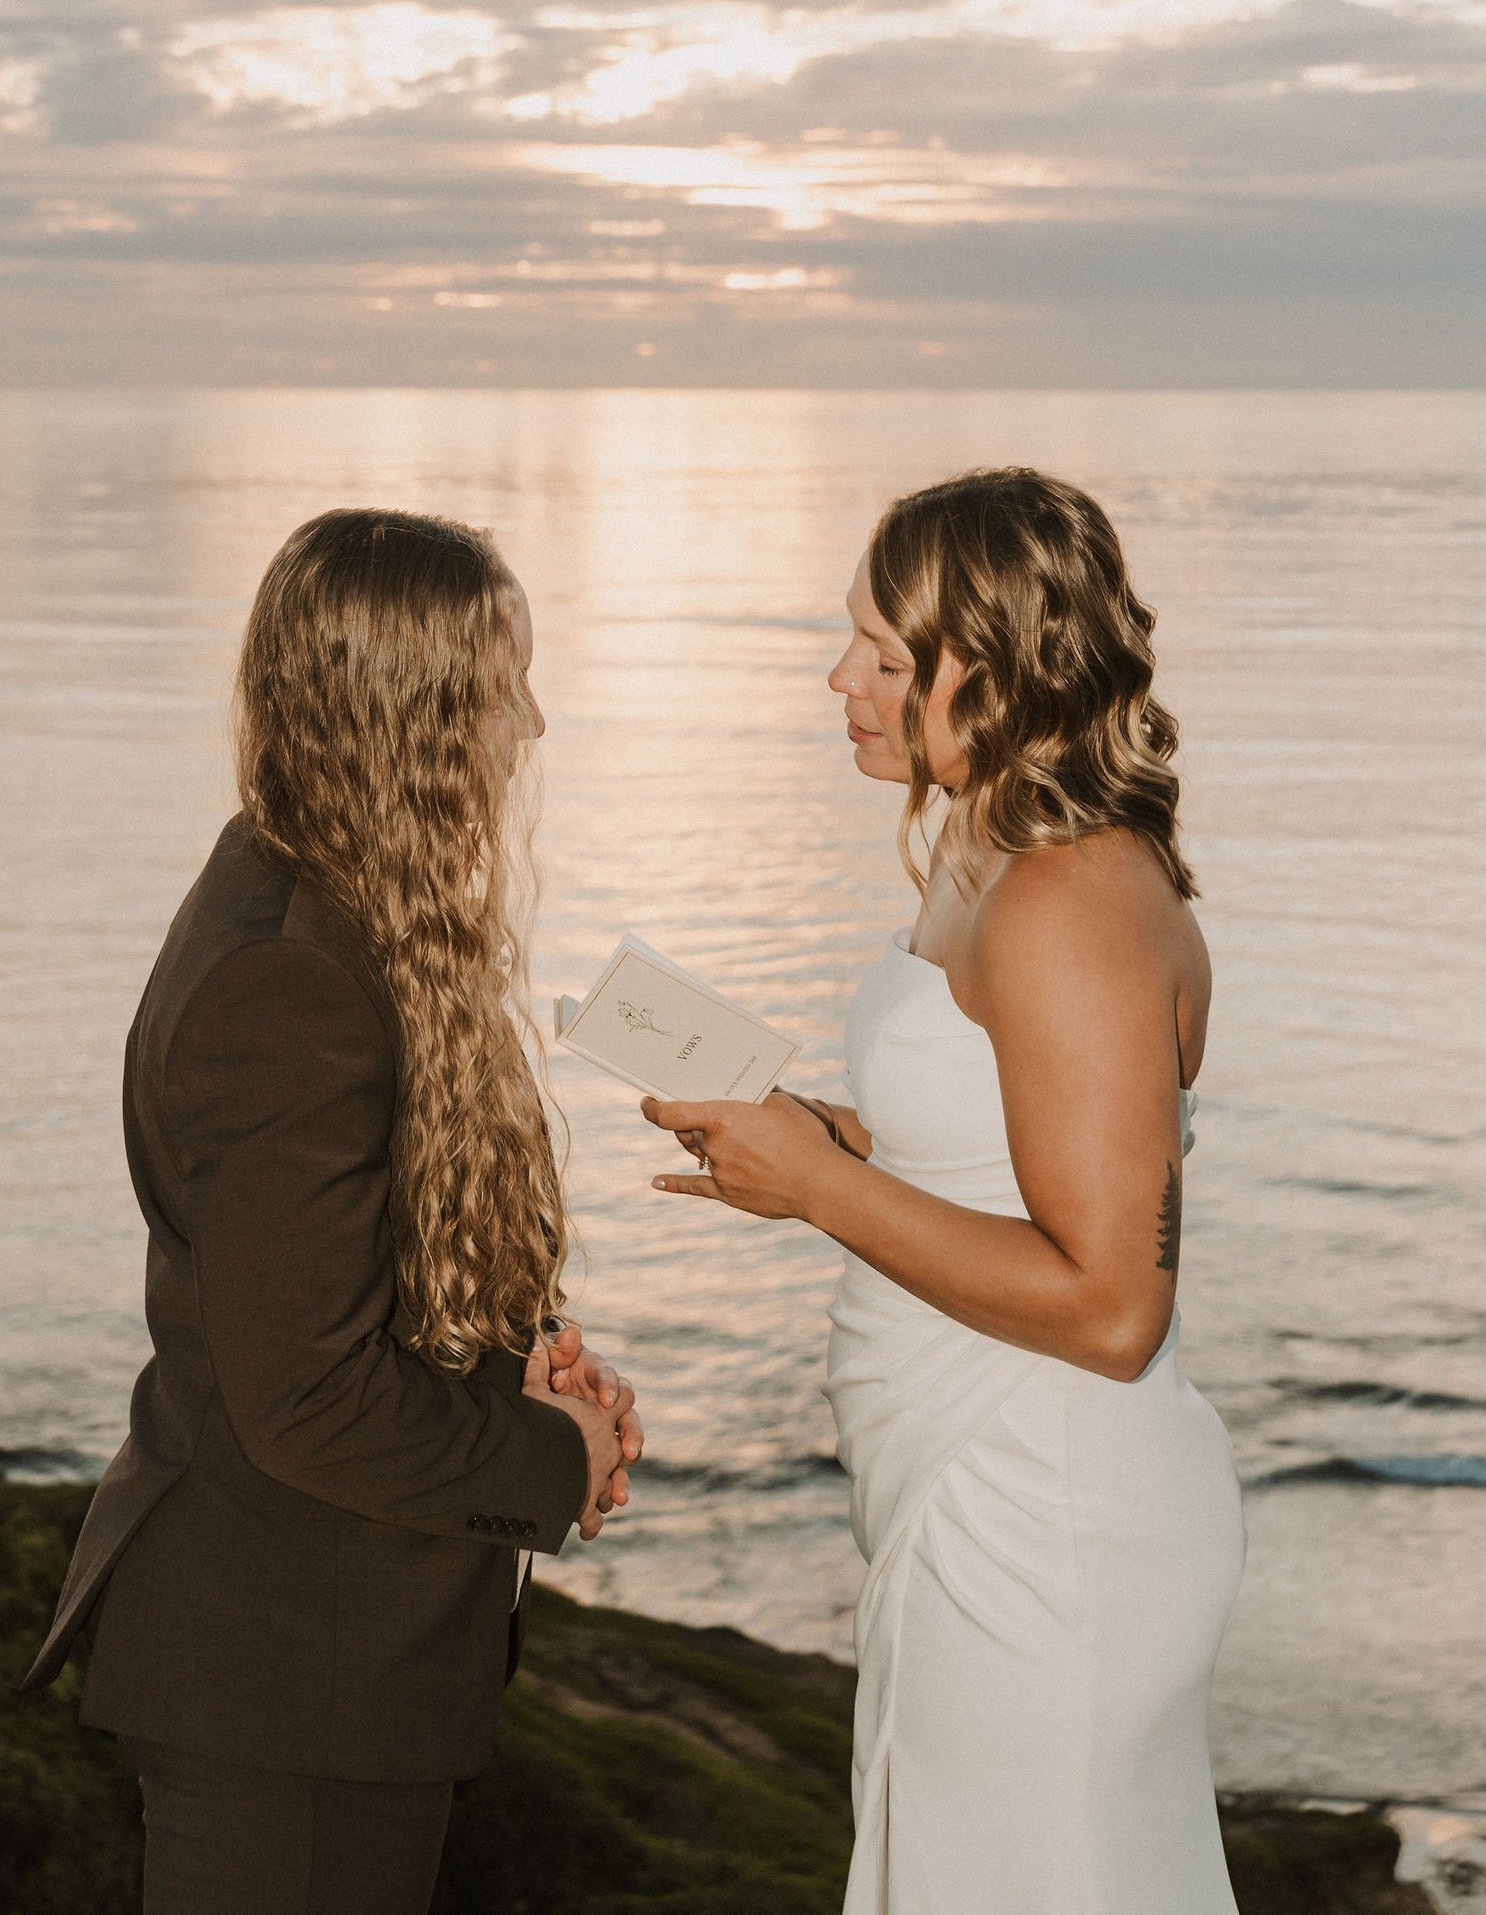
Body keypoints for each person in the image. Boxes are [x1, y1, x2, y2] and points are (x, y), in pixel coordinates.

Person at [643, 466, 1245, 1914]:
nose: (840, 678)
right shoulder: (986, 850)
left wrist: (819, 1189)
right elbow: (993, 1152)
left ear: (995, 667)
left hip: (1046, 1519)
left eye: (881, 652)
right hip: (977, 1492)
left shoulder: (1064, 901)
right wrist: (823, 1144)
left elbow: (1114, 1308)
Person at [23, 507, 641, 1915]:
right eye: (504, 688)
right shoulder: (289, 982)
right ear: (413, 720)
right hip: (285, 1675)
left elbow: (332, 1289)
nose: (531, 726)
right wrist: (553, 1454)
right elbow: (306, 1399)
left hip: (312, 1663)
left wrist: (511, 1370)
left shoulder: (308, 893)